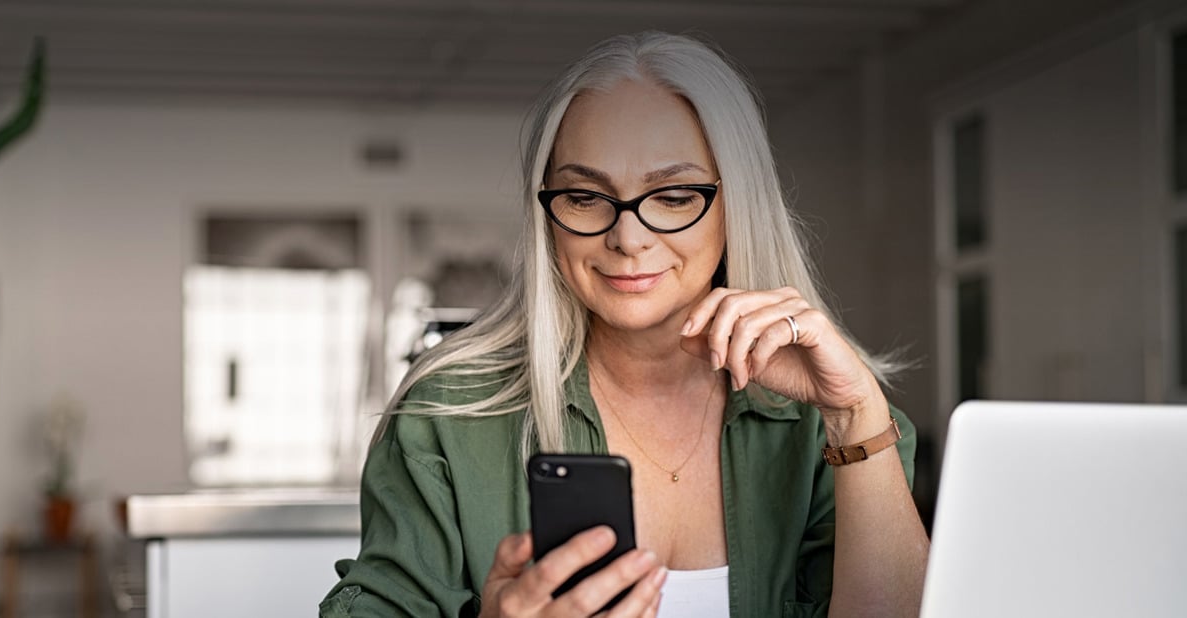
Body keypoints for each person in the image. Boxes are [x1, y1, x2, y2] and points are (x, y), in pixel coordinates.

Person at [321, 31, 929, 618]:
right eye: (585, 197)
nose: (628, 238)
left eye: (674, 196)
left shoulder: (835, 425)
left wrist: (855, 415)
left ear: (735, 205)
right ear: (547, 215)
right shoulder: (447, 419)